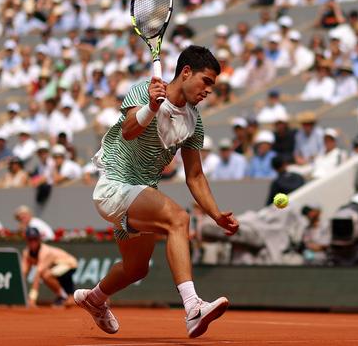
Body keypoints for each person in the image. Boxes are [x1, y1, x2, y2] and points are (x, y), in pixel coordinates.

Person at [74, 46, 239, 338]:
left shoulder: (194, 122)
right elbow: (127, 131)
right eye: (206, 81)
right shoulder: (143, 90)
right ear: (186, 72)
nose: (208, 91)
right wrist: (152, 106)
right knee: (178, 218)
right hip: (114, 185)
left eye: (212, 85)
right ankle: (192, 308)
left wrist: (215, 214)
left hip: (140, 193)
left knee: (136, 269)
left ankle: (95, 299)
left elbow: (195, 176)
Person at [22, 227, 78, 307]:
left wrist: (32, 298)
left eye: (35, 239)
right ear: (27, 240)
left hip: (69, 263)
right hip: (57, 267)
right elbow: (23, 273)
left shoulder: (45, 252)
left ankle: (63, 297)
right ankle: (66, 297)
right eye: (30, 239)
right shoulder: (26, 253)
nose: (33, 242)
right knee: (46, 274)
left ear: (39, 239)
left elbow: (38, 274)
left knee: (46, 275)